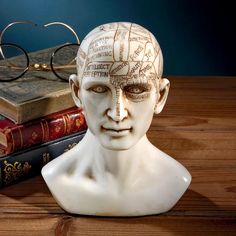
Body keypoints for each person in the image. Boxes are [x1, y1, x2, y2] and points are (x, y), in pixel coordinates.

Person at [41, 22, 191, 216]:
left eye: (136, 90)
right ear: (76, 92)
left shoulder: (175, 179)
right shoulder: (56, 175)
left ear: (160, 96)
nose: (117, 113)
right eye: (99, 90)